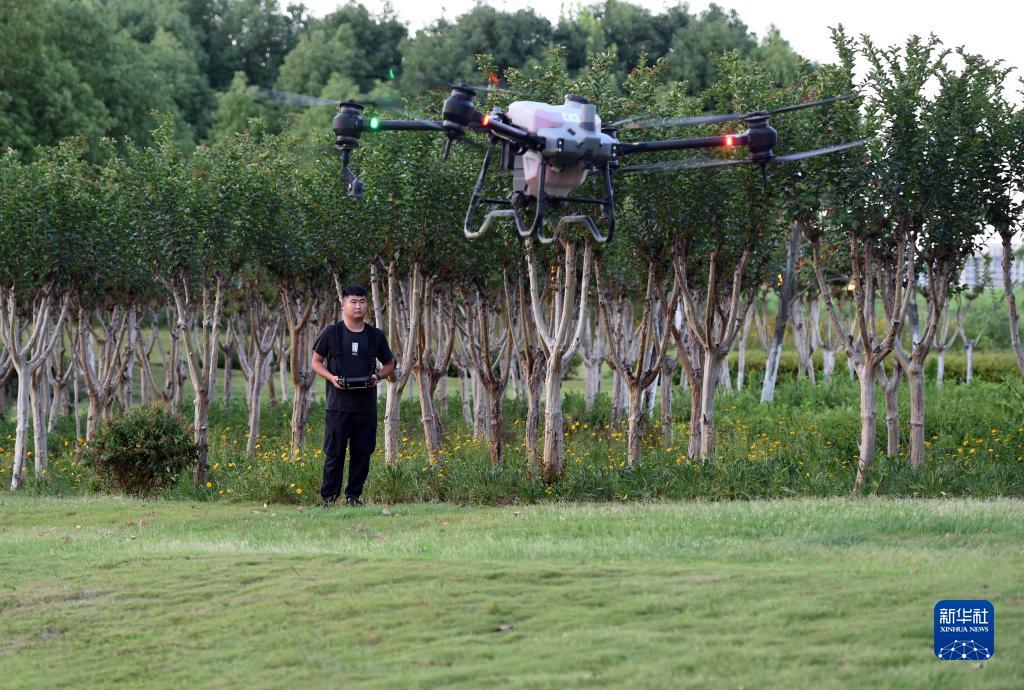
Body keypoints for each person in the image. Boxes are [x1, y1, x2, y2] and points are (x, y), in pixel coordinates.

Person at [311, 285, 394, 507]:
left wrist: (377, 377)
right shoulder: (332, 333)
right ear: (343, 305)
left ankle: (353, 496)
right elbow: (316, 362)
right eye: (353, 302)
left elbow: (389, 364)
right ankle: (328, 498)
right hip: (338, 405)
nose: (358, 306)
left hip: (366, 406)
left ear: (367, 305)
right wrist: (331, 378)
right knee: (334, 452)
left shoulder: (375, 335)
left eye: (362, 301)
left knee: (362, 453)